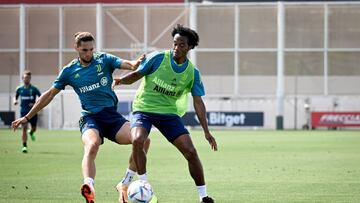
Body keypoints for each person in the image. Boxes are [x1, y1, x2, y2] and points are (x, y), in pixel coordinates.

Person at [11, 32, 150, 203]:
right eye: (84, 50)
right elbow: (48, 95)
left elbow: (125, 64)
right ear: (76, 48)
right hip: (90, 118)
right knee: (92, 145)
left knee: (143, 140)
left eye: (91, 49)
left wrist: (135, 64)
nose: (88, 53)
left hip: (112, 117)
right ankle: (89, 187)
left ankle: (125, 184)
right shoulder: (69, 71)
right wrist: (27, 116)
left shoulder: (103, 59)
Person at [112, 24, 218, 203]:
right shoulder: (158, 58)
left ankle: (204, 196)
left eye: (182, 45)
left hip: (169, 114)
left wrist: (206, 132)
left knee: (191, 152)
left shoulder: (192, 73)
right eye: (175, 44)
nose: (177, 48)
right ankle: (144, 185)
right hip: (144, 109)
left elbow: (198, 102)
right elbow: (137, 74)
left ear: (190, 47)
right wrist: (121, 80)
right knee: (138, 140)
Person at [13, 70, 41, 153]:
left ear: (30, 78)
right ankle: (24, 146)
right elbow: (15, 97)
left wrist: (35, 104)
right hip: (23, 112)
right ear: (22, 78)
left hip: (33, 112)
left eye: (28, 78)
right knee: (24, 128)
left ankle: (31, 132)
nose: (27, 79)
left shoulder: (34, 89)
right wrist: (15, 101)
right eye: (25, 77)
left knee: (34, 128)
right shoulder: (19, 89)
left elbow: (41, 97)